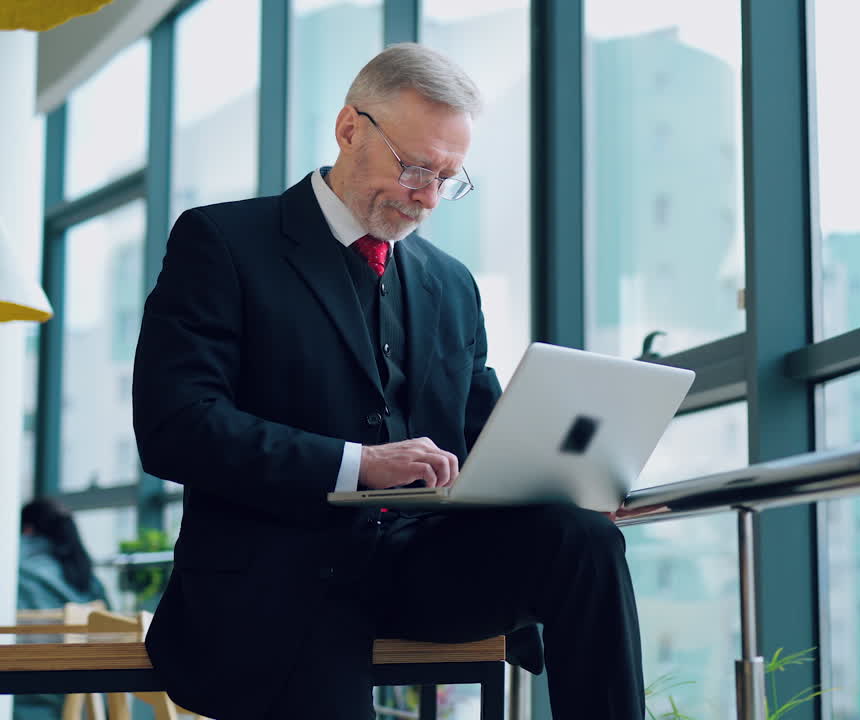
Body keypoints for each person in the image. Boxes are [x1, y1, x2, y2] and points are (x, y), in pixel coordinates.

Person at [131, 43, 643, 719]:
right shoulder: (223, 242)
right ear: (349, 130)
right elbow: (176, 427)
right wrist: (359, 465)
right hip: (285, 578)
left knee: (585, 541)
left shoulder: (451, 284)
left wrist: (572, 480)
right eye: (413, 169)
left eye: (448, 179)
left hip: (423, 567)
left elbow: (484, 435)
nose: (428, 198)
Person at [15, 499, 109, 720]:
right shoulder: (88, 581)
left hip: (21, 694)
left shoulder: (14, 568)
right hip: (84, 700)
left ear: (27, 530)